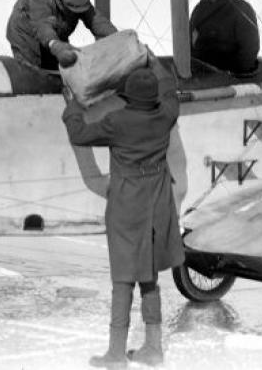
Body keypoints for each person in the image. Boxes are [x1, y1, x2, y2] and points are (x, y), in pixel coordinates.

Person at [62, 51, 185, 368]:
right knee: (149, 277)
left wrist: (72, 104)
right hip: (158, 198)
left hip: (127, 201)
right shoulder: (166, 115)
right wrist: (155, 65)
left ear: (127, 98)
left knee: (122, 278)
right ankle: (153, 349)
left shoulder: (117, 121)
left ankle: (116, 355)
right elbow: (171, 93)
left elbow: (79, 133)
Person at [6, 0, 117, 71]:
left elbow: (95, 20)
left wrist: (117, 37)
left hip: (55, 31)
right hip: (25, 34)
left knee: (63, 68)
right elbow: (43, 27)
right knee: (33, 74)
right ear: (60, 0)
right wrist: (56, 45)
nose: (76, 13)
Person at [190, 0, 259, 75]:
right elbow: (188, 40)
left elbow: (250, 46)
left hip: (230, 72)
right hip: (200, 70)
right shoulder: (199, 10)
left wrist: (238, 73)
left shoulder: (241, 8)